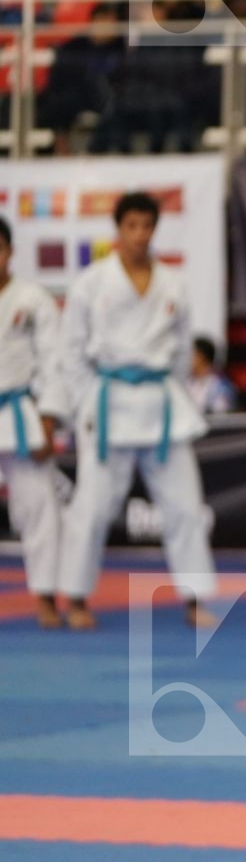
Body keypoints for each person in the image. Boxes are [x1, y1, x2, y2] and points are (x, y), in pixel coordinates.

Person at [56, 192, 216, 631]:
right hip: (109, 405)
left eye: (147, 226)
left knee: (185, 506)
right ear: (118, 229)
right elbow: (70, 352)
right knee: (91, 508)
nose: (140, 235)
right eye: (132, 226)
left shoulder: (173, 285)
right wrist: (87, 402)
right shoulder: (91, 283)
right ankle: (76, 596)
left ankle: (195, 597)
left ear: (155, 229)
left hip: (161, 407)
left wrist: (171, 389)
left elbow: (183, 351)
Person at [0, 217, 65, 629]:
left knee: (40, 508)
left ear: (9, 251)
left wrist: (48, 418)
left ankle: (45, 598)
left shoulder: (34, 299)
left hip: (17, 414)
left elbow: (54, 363)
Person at [187, 337, 237, 415]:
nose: (187, 360)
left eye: (191, 355)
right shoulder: (186, 383)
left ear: (201, 357)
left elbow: (221, 416)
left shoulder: (221, 387)